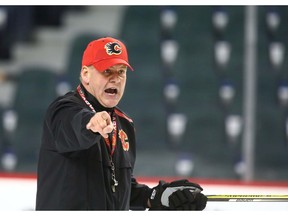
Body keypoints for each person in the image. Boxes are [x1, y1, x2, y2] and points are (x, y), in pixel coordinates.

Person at [35, 36, 208, 210]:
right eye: (107, 71)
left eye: (121, 72)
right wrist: (91, 124)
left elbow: (116, 188)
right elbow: (75, 125)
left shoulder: (124, 124)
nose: (116, 79)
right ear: (86, 74)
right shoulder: (63, 109)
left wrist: (157, 197)